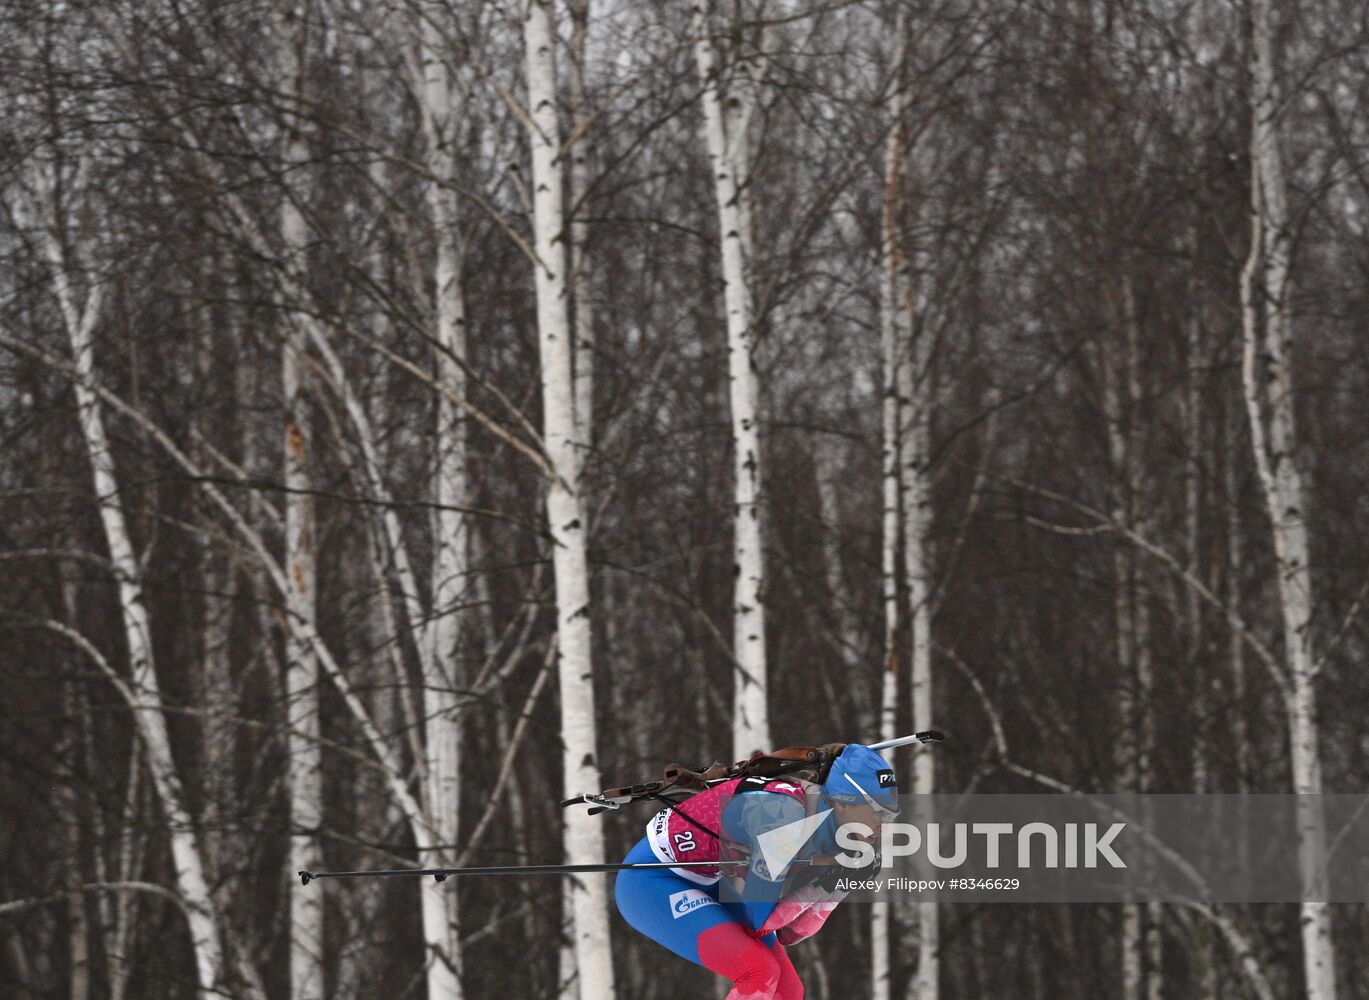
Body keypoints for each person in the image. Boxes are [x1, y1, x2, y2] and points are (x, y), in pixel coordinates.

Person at [614, 744, 899, 1000]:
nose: (882, 826)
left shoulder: (833, 832)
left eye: (889, 815)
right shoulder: (782, 818)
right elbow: (758, 923)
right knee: (758, 972)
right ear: (843, 801)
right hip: (651, 882)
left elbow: (790, 933)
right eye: (876, 812)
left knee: (788, 991)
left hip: (709, 879)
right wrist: (825, 883)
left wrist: (837, 887)